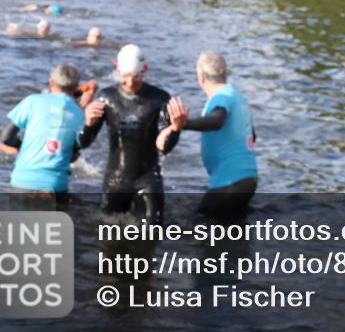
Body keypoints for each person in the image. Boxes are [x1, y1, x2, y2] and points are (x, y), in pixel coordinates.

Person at [78, 44, 179, 224]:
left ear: (145, 69)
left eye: (135, 77)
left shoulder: (159, 98)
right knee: (108, 235)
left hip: (148, 178)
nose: (130, 83)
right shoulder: (106, 97)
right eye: (124, 76)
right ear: (116, 68)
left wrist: (175, 128)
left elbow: (165, 147)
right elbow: (84, 143)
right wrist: (88, 123)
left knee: (152, 232)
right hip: (116, 179)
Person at [156, 52, 258, 218]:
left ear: (200, 76)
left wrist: (182, 125)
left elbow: (217, 120)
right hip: (247, 179)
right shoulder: (236, 95)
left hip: (229, 182)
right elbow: (252, 135)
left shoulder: (222, 97)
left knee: (202, 228)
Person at [0, 63, 86, 198]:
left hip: (23, 182)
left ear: (51, 82)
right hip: (55, 186)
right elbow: (74, 153)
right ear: (76, 87)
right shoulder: (80, 114)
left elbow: (6, 137)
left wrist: (23, 147)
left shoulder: (32, 101)